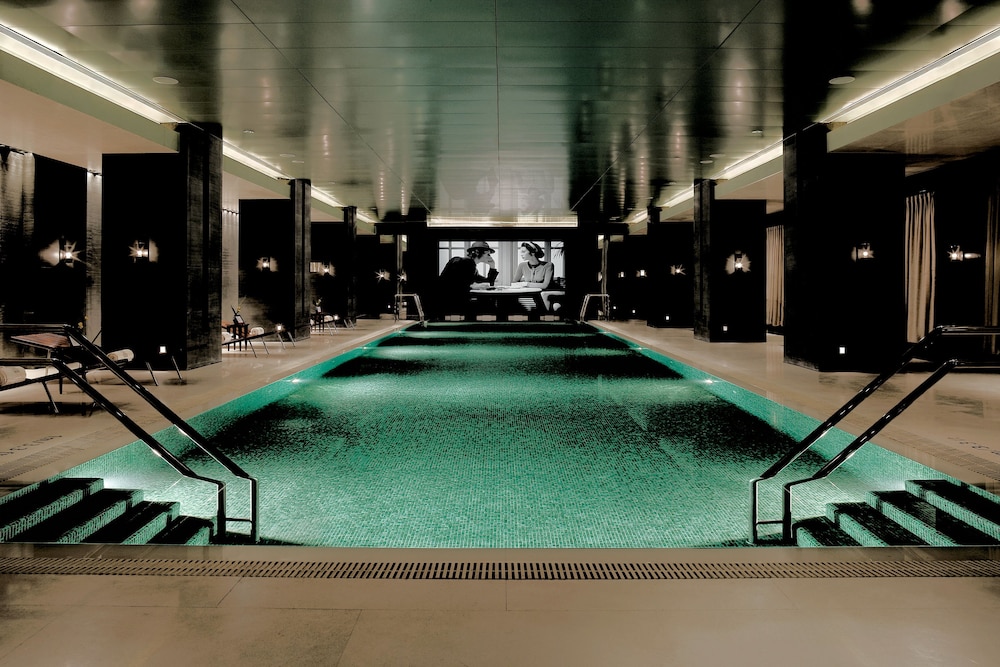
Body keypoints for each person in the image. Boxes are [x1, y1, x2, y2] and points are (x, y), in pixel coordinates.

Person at [434, 241, 498, 319]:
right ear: (477, 252)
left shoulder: (472, 266)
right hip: (450, 302)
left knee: (489, 304)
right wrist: (474, 286)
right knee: (490, 306)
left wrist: (492, 266)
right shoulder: (465, 262)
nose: (489, 257)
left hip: (451, 301)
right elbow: (453, 285)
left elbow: (488, 282)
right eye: (487, 254)